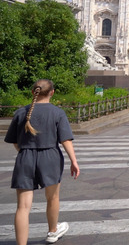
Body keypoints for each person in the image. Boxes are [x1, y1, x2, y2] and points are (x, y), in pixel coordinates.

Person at [4, 79, 80, 244]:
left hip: (25, 157)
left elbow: (15, 141)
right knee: (52, 197)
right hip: (50, 157)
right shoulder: (57, 112)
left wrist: (26, 151)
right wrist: (73, 161)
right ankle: (52, 232)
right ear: (52, 92)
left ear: (33, 92)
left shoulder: (21, 112)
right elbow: (65, 139)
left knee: (23, 207)